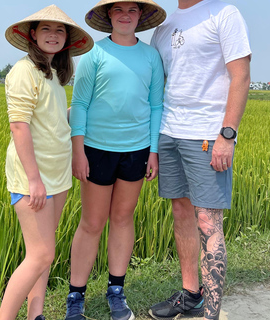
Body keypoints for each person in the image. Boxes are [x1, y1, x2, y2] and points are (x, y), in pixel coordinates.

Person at [148, 0, 251, 319]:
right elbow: (154, 84)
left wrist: (228, 134)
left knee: (208, 220)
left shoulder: (224, 13)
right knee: (181, 212)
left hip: (207, 135)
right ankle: (191, 294)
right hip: (169, 132)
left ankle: (212, 313)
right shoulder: (164, 26)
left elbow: (241, 75)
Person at [65, 1, 166, 320]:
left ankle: (116, 291)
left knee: (123, 217)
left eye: (132, 10)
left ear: (140, 16)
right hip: (96, 148)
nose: (125, 15)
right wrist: (77, 150)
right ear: (108, 15)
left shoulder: (151, 56)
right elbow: (79, 103)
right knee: (92, 222)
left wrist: (153, 150)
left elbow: (156, 106)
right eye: (118, 9)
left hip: (136, 150)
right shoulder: (94, 54)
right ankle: (75, 296)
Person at [0, 5, 93, 320]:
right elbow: (19, 126)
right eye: (46, 29)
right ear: (33, 34)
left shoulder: (53, 75)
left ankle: (35, 315)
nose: (53, 35)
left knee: (42, 254)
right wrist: (34, 180)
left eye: (59, 30)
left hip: (58, 174)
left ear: (66, 39)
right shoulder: (24, 71)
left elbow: (51, 120)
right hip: (33, 179)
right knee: (41, 255)